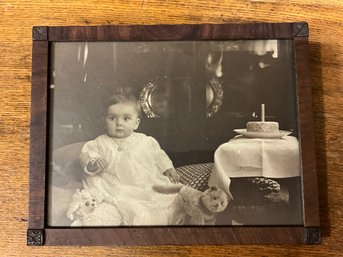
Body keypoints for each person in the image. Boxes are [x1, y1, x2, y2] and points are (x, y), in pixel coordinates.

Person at [79, 93, 180, 225]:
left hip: (143, 182)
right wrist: (94, 164)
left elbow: (158, 155)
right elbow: (87, 155)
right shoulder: (100, 142)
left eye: (126, 119)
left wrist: (168, 168)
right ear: (105, 120)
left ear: (136, 123)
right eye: (112, 118)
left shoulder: (145, 141)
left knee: (158, 199)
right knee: (125, 204)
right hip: (114, 184)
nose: (119, 123)